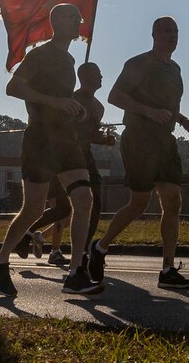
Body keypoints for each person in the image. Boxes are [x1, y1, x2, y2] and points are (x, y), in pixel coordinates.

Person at [0, 3, 103, 297]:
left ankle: (76, 273)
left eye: (79, 17)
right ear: (55, 21)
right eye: (71, 17)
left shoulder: (69, 60)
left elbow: (61, 101)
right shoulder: (40, 54)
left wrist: (75, 111)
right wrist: (56, 102)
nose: (78, 21)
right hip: (39, 139)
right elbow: (13, 87)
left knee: (84, 197)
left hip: (65, 138)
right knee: (33, 208)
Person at [88, 17, 189, 289]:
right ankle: (100, 248)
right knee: (139, 203)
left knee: (173, 199)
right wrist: (150, 112)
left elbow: (167, 105)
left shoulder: (175, 69)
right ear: (153, 34)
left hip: (165, 140)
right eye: (165, 31)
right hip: (139, 138)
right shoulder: (138, 63)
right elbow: (115, 96)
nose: (171, 35)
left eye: (175, 31)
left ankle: (167, 270)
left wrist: (182, 120)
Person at [19, 63, 115, 264]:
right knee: (62, 208)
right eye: (96, 74)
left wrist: (104, 139)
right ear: (83, 76)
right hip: (63, 158)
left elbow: (91, 134)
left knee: (93, 203)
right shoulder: (71, 100)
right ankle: (28, 234)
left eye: (100, 73)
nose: (101, 77)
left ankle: (84, 252)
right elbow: (63, 130)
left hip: (85, 158)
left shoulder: (99, 107)